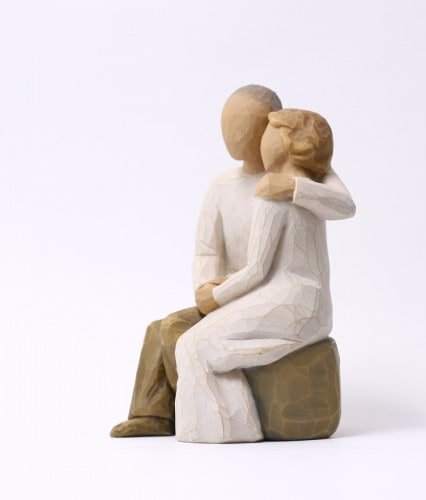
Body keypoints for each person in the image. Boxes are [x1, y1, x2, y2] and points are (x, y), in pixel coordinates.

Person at [110, 86, 355, 438]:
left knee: (183, 335)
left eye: (243, 124)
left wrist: (291, 187)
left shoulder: (302, 179)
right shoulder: (222, 187)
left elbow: (343, 205)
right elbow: (207, 250)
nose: (233, 133)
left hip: (263, 296)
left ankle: (224, 421)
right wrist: (206, 289)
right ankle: (154, 415)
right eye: (228, 122)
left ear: (273, 129)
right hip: (236, 293)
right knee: (159, 328)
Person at [174, 109, 339, 443]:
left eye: (268, 133)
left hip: (288, 304)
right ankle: (238, 427)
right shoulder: (312, 187)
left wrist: (214, 295)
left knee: (191, 346)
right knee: (199, 345)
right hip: (315, 306)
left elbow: (256, 271)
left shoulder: (271, 192)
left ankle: (223, 430)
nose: (259, 139)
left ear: (285, 143)